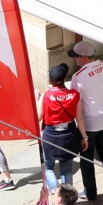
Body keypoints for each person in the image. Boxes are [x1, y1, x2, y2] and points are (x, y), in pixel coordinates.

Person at [68, 41, 103, 201]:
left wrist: (82, 132)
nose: (75, 60)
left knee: (86, 158)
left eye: (76, 57)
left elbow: (75, 103)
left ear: (84, 58)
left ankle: (90, 191)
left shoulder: (78, 77)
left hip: (89, 123)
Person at [38, 63, 86, 191]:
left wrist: (37, 100)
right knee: (67, 170)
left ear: (51, 81)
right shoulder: (75, 95)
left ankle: (56, 191)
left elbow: (37, 117)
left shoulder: (45, 96)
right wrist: (85, 138)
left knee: (48, 168)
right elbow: (79, 118)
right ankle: (67, 198)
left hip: (50, 137)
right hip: (69, 136)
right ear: (64, 79)